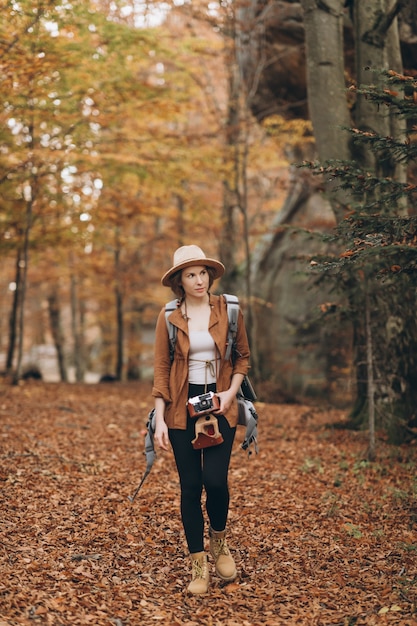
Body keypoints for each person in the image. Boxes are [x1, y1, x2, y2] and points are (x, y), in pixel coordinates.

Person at [152, 244, 251, 595]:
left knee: (217, 482)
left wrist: (230, 392)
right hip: (181, 408)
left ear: (210, 275)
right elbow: (162, 370)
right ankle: (199, 564)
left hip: (220, 404)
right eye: (190, 274)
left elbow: (242, 358)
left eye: (202, 272)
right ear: (179, 280)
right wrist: (160, 420)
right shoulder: (169, 316)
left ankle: (220, 542)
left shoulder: (230, 310)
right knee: (191, 487)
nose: (198, 280)